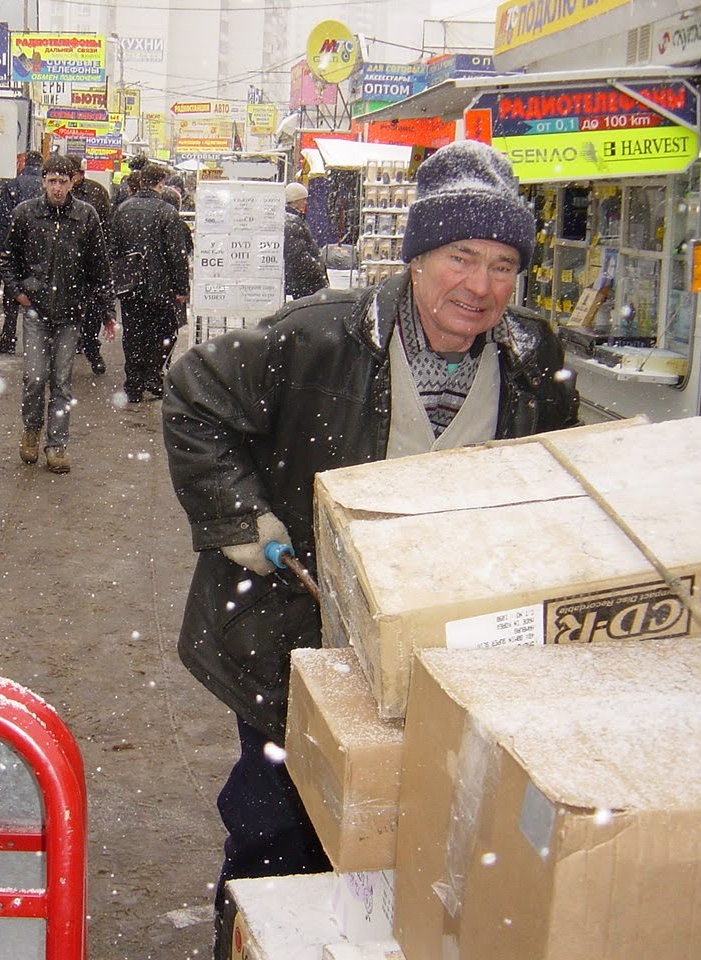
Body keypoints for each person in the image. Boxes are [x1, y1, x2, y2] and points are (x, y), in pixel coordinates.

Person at [161, 140, 579, 960]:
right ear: (419, 256)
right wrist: (244, 522)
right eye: (462, 257)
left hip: (454, 658)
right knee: (281, 837)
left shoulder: (535, 359)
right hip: (301, 642)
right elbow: (193, 397)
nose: (482, 286)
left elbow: (555, 485)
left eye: (503, 264)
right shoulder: (318, 338)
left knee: (419, 844)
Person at [0, 154, 114, 474]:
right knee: (35, 377)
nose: (58, 188)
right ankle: (32, 429)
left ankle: (57, 444)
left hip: (70, 312)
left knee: (61, 381)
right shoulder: (26, 214)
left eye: (63, 181)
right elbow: (7, 259)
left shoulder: (85, 215)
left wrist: (107, 310)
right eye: (52, 181)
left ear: (72, 181)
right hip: (35, 309)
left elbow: (98, 266)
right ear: (43, 182)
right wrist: (19, 292)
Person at [107, 162, 190, 403]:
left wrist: (119, 278)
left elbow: (113, 250)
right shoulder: (167, 213)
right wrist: (181, 287)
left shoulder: (123, 209)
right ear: (161, 183)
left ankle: (133, 383)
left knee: (133, 334)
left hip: (130, 286)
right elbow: (176, 254)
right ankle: (153, 377)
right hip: (158, 285)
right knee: (161, 332)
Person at [0, 150, 44, 354]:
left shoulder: (12, 185)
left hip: (15, 250)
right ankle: (38, 344)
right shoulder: (44, 186)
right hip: (39, 253)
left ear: (23, 164)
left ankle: (8, 338)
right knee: (39, 296)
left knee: (12, 297)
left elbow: (1, 218)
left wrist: (1, 248)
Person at [70, 157, 113, 375]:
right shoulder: (53, 196)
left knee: (92, 311)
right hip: (65, 266)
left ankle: (91, 347)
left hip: (88, 262)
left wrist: (102, 257)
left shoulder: (96, 193)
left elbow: (105, 227)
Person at [283, 181, 327, 300]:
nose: (305, 202)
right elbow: (298, 255)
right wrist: (317, 273)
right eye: (303, 199)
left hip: (302, 280)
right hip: (304, 281)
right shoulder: (292, 222)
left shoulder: (293, 219)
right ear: (294, 200)